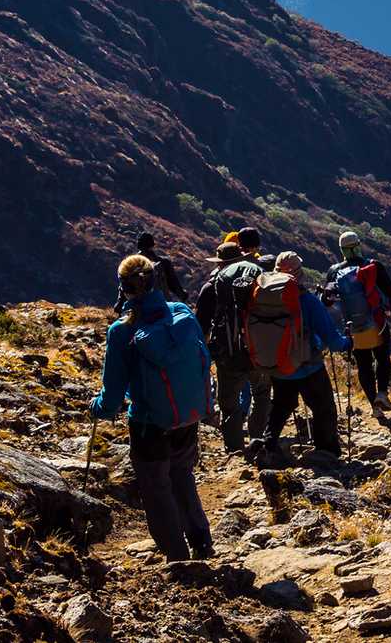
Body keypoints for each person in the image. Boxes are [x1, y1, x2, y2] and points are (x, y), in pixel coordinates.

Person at [91, 254, 215, 562]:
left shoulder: (122, 331)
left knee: (157, 488)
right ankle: (201, 540)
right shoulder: (181, 313)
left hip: (149, 423)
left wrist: (99, 408)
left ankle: (177, 558)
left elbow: (114, 392)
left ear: (124, 288)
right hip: (187, 416)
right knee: (182, 475)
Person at [249, 250, 352, 465]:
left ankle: (268, 445)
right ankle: (326, 452)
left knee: (281, 404)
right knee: (323, 408)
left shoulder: (263, 297)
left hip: (278, 365)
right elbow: (333, 341)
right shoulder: (307, 300)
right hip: (308, 367)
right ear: (299, 272)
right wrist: (347, 342)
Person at [195, 237, 263, 453]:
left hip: (229, 354)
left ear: (220, 263)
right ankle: (258, 438)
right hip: (259, 350)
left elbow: (201, 327)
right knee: (261, 393)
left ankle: (234, 447)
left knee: (229, 403)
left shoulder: (210, 288)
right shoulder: (257, 279)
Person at [328, 230, 391, 420]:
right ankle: (382, 394)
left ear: (342, 249)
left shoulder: (334, 271)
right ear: (358, 245)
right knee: (382, 358)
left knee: (364, 364)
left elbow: (330, 299)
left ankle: (373, 406)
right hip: (376, 322)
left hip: (353, 326)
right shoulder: (372, 266)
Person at [135, 231, 188, 302]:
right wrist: (182, 294)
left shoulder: (131, 264)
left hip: (138, 305)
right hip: (161, 302)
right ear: (152, 245)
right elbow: (173, 283)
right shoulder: (164, 263)